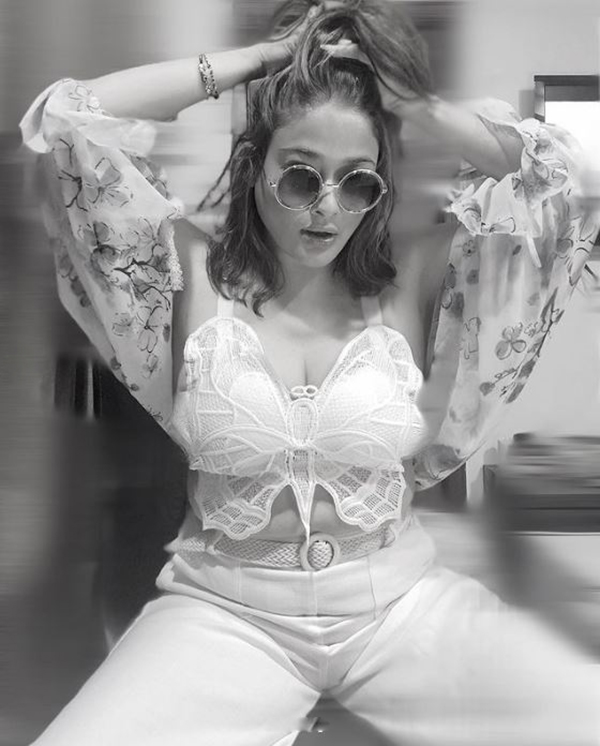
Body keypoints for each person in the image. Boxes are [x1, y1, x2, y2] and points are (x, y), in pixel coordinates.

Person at [19, 1, 600, 744]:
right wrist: (256, 63)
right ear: (254, 165)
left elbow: (569, 181)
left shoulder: (412, 283)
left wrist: (414, 104)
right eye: (300, 177)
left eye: (358, 183)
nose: (328, 208)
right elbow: (66, 122)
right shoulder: (185, 273)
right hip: (226, 615)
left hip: (401, 607)